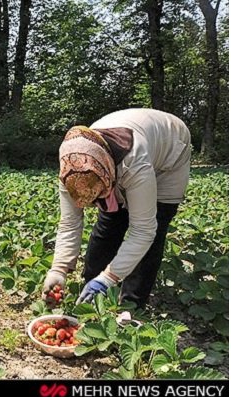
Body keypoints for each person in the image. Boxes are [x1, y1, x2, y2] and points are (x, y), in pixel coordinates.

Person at [42, 108, 191, 308]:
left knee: (155, 226)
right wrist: (58, 270)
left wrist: (109, 277)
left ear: (108, 175)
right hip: (126, 148)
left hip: (170, 148)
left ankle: (131, 304)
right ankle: (92, 290)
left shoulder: (135, 164)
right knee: (110, 220)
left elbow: (143, 231)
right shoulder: (71, 169)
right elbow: (70, 223)